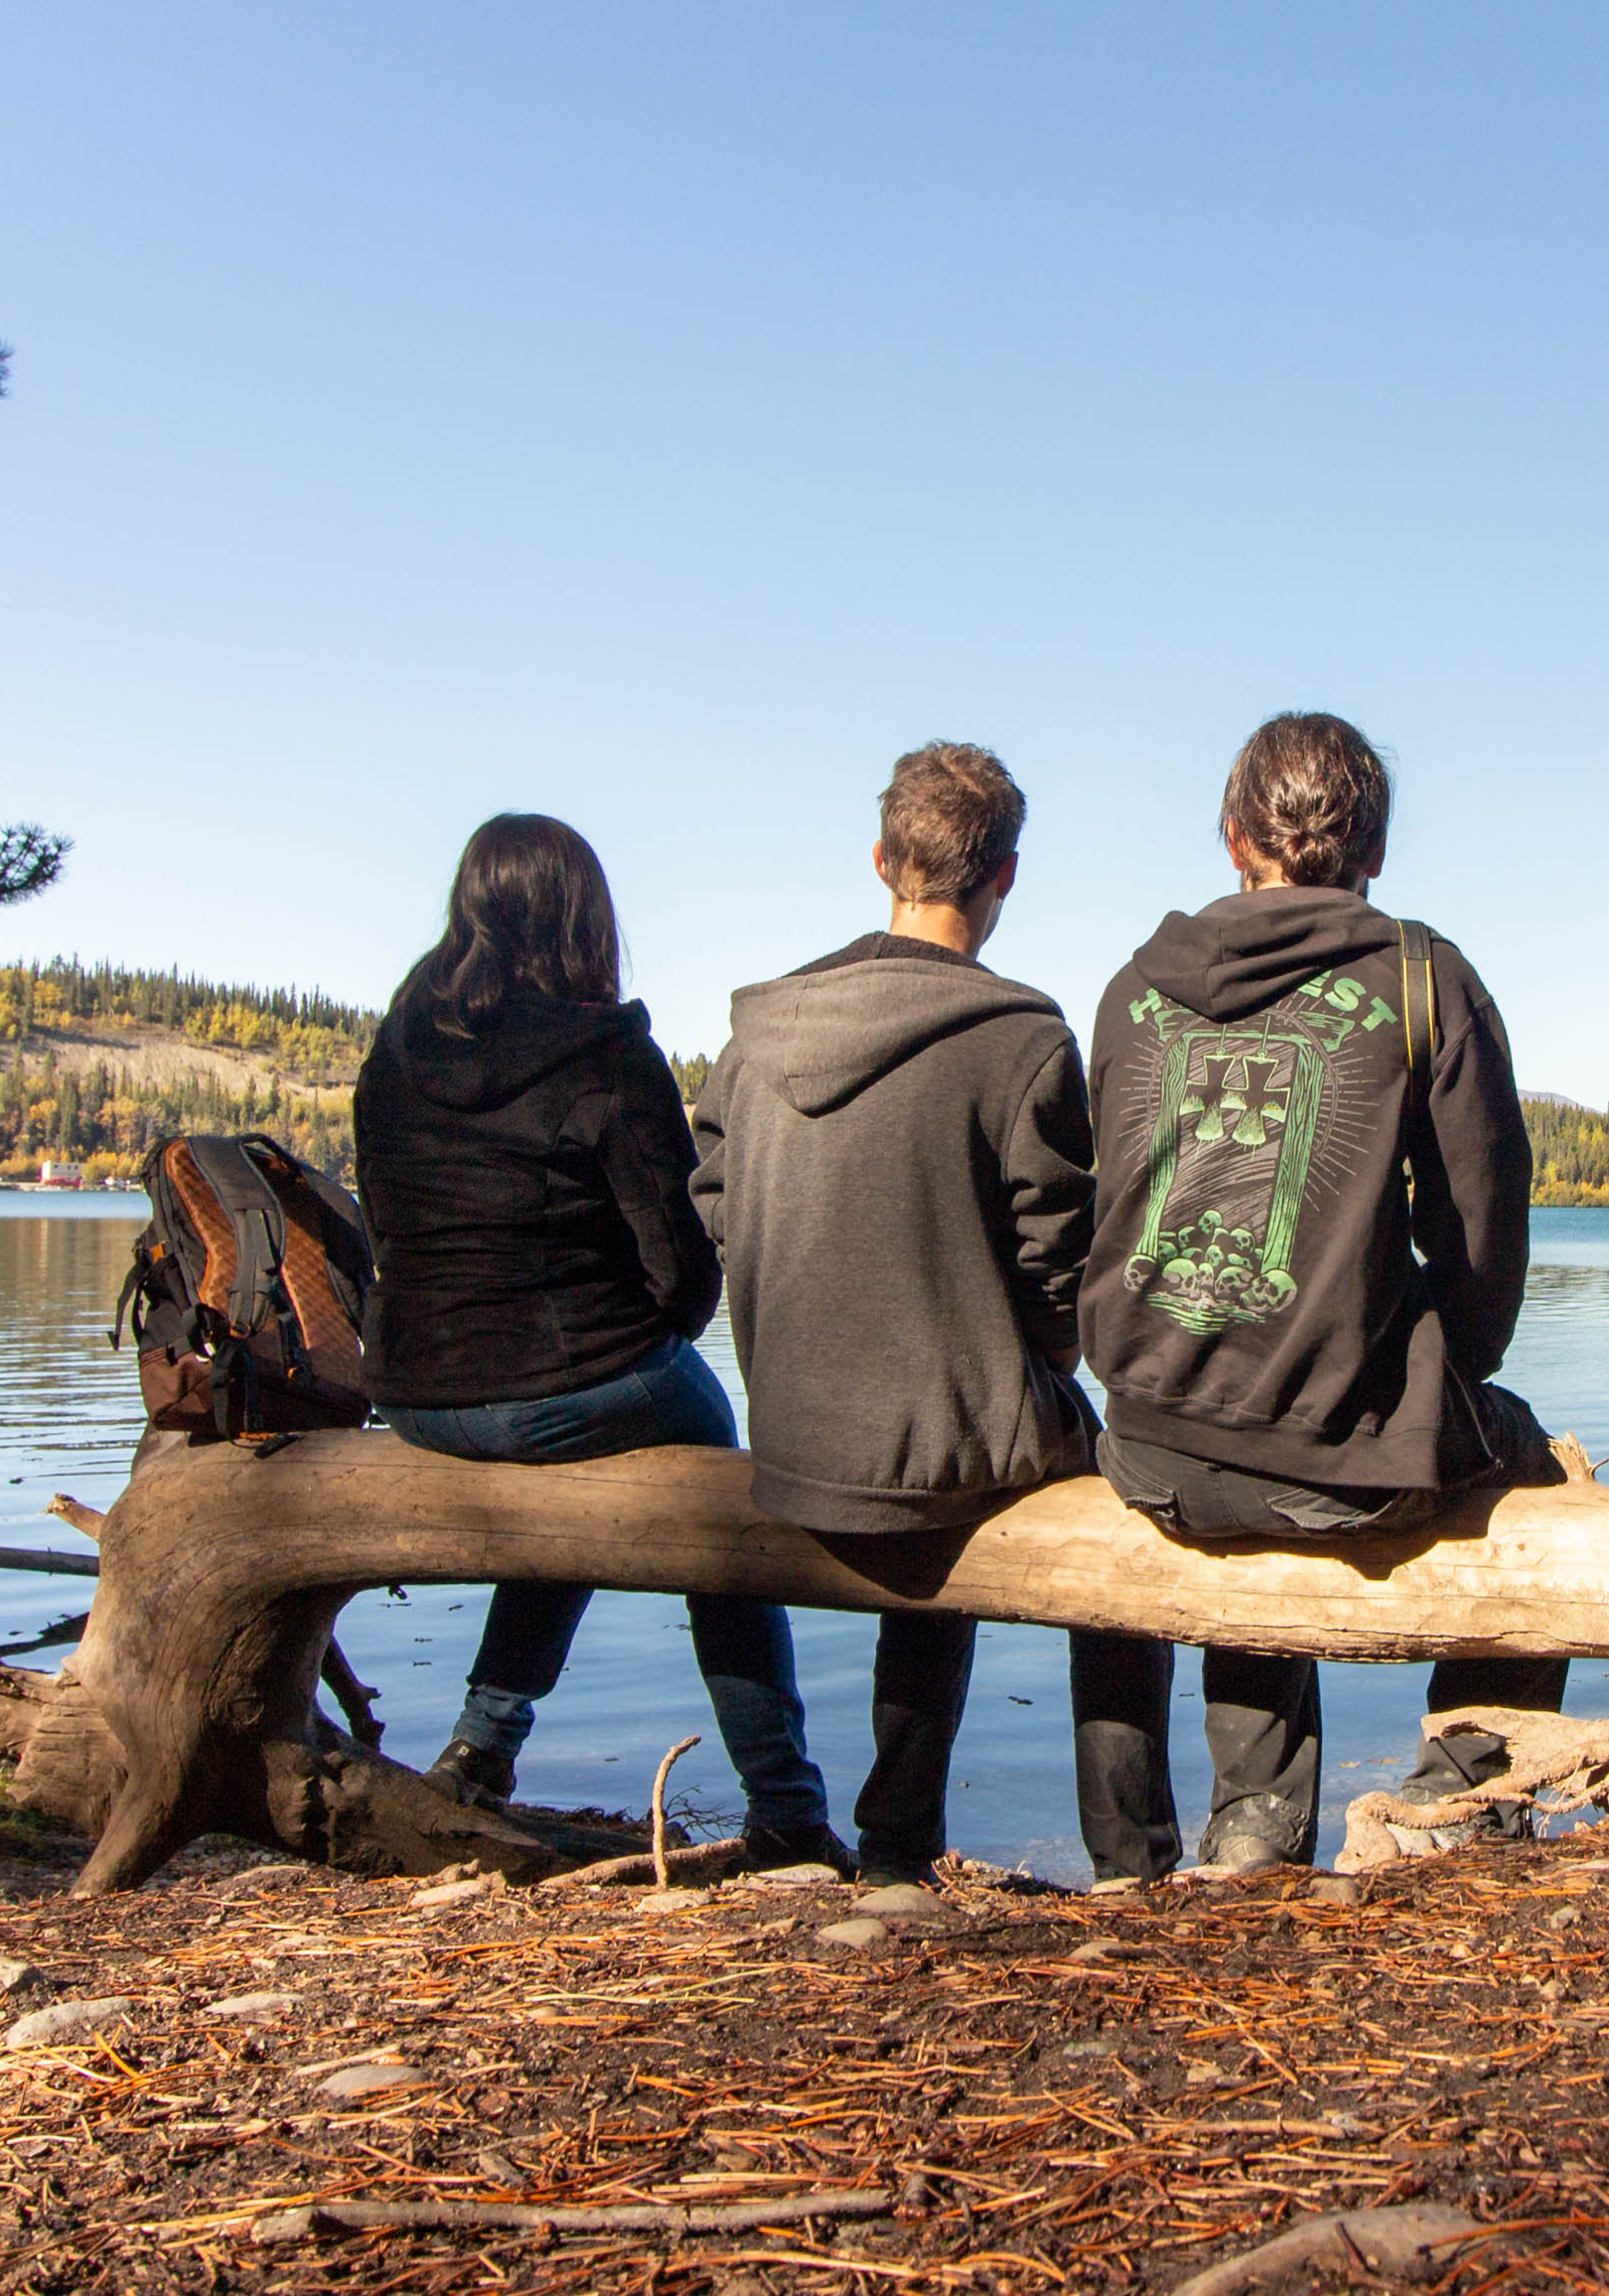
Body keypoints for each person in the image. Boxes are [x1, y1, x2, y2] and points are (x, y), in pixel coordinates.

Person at [693, 743, 1188, 1886]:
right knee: (1124, 1507)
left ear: (881, 860)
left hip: (798, 1438)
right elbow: (1057, 1267)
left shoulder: (758, 1033)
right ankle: (1131, 1860)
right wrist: (1044, 1349)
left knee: (949, 1429)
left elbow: (712, 1201)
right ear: (1005, 876)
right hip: (942, 1448)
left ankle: (895, 1843)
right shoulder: (1020, 1039)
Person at [1082, 711, 1565, 1871]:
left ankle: (1255, 1818)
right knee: (1530, 1465)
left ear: (1234, 836)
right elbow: (1482, 1245)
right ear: (1376, 854)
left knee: (1255, 1432)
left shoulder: (1128, 990)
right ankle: (1462, 1805)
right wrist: (1444, 1377)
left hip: (1145, 1445)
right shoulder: (1420, 977)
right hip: (1322, 1462)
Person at [354, 811, 845, 1873]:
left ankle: (481, 1748)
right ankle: (789, 1810)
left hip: (416, 1392)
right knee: (720, 1475)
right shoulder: (606, 1051)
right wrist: (650, 1330)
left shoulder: (396, 1048)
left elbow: (386, 1224)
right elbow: (677, 1264)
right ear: (583, 917)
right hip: (559, 1379)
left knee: (578, 1475)